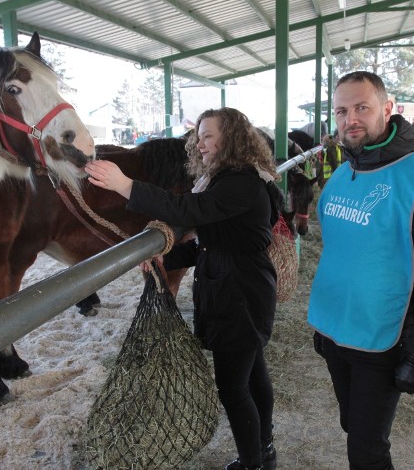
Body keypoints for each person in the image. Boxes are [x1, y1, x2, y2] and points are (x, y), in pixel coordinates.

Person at [85, 107, 281, 470]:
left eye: (208, 135)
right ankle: (264, 449)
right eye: (199, 135)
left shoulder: (239, 181)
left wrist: (125, 185)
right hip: (241, 285)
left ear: (233, 138)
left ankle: (253, 461)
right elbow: (214, 242)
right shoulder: (233, 178)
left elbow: (185, 208)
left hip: (239, 294)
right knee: (254, 373)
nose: (200, 143)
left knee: (234, 387)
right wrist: (168, 257)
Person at [308, 71, 414, 469]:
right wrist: (323, 328)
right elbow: (340, 253)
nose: (350, 119)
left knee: (367, 448)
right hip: (337, 331)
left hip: (383, 338)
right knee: (351, 426)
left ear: (388, 109)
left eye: (362, 107)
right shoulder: (342, 174)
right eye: (342, 111)